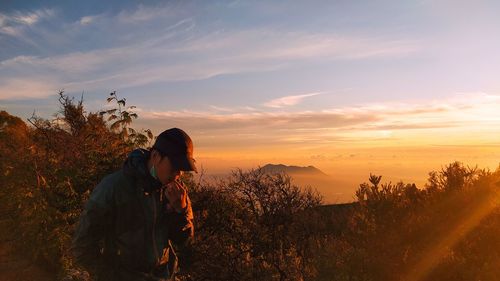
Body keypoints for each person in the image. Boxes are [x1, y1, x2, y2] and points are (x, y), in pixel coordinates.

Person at [72, 128, 196, 281]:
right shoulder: (113, 188)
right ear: (156, 156)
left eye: (182, 169)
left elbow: (184, 241)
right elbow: (82, 245)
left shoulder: (176, 192)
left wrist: (180, 210)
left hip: (164, 276)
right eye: (175, 166)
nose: (178, 174)